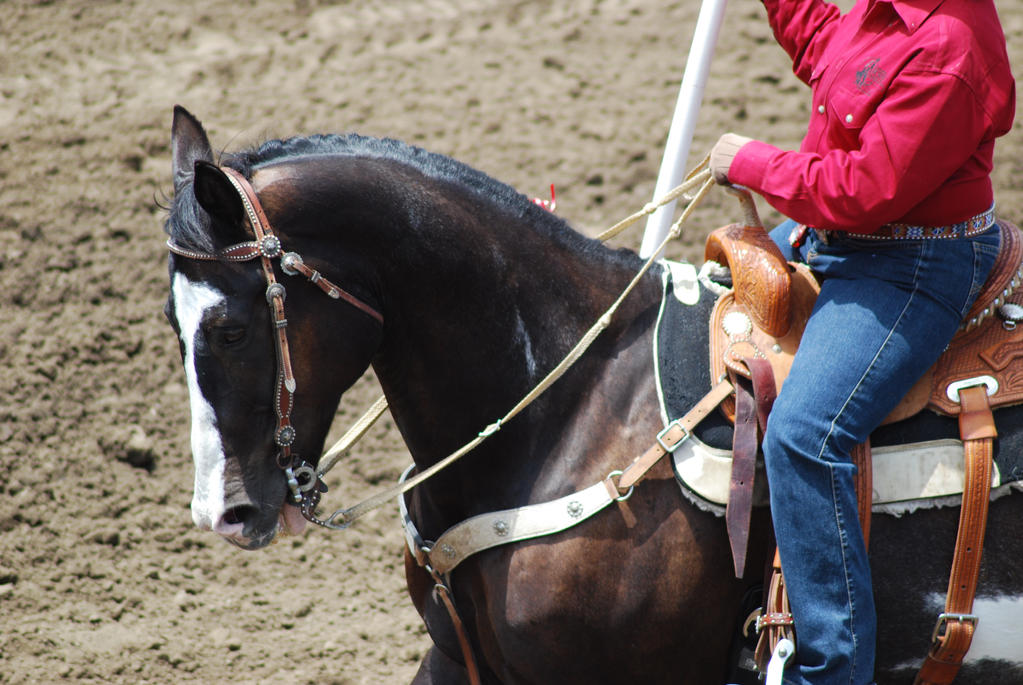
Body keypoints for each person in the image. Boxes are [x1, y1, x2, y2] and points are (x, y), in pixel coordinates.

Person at [708, 0, 1015, 682]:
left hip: (907, 266)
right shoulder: (893, 13)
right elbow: (821, 37)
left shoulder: (948, 48)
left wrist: (751, 160)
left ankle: (832, 666)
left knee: (803, 435)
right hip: (846, 243)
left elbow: (858, 189)